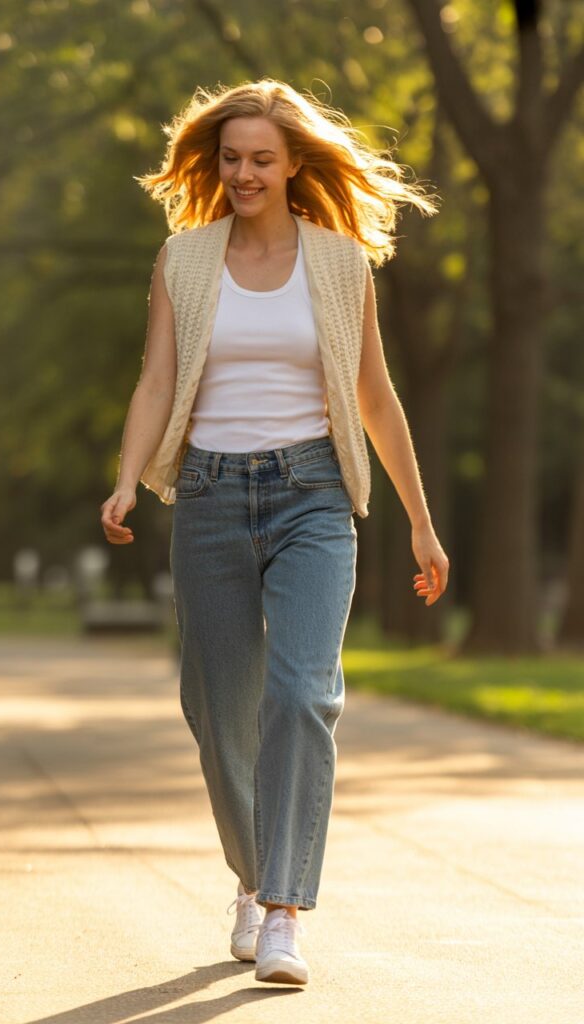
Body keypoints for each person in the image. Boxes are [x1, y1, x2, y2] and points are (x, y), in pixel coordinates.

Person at [100, 78, 450, 986]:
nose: (245, 173)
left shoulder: (339, 264)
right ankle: (253, 883)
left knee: (301, 694)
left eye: (262, 158)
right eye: (231, 159)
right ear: (213, 166)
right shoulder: (183, 259)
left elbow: (374, 396)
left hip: (313, 495)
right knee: (217, 712)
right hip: (211, 494)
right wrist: (128, 480)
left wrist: (419, 519)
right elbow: (154, 384)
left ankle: (286, 909)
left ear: (294, 164)